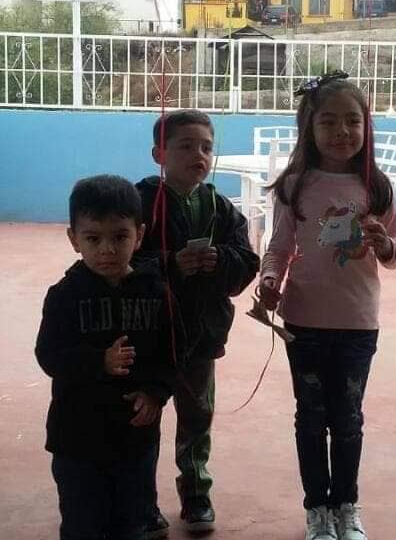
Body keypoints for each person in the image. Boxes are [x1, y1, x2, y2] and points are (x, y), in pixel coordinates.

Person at [258, 72, 396, 540]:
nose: (342, 132)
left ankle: (346, 505)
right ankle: (316, 509)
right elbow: (279, 247)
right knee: (311, 417)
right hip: (303, 321)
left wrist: (385, 245)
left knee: (348, 419)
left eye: (352, 121)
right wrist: (268, 279)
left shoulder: (378, 188)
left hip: (359, 323)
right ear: (310, 128)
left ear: (367, 126)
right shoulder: (295, 186)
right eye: (329, 122)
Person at [35, 175, 181, 540]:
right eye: (93, 238)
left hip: (136, 440)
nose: (107, 250)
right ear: (74, 239)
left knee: (132, 520)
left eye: (120, 237)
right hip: (77, 438)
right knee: (83, 521)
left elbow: (175, 353)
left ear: (140, 234)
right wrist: (98, 361)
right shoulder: (64, 296)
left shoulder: (157, 294)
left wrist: (156, 392)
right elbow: (50, 355)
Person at [136, 109, 259, 538]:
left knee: (197, 415)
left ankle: (195, 492)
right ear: (159, 154)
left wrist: (218, 261)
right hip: (148, 334)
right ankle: (142, 502)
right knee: (143, 416)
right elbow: (120, 264)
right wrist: (170, 264)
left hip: (201, 335)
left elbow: (246, 262)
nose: (198, 154)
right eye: (185, 145)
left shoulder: (221, 208)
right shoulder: (139, 203)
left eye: (206, 147)